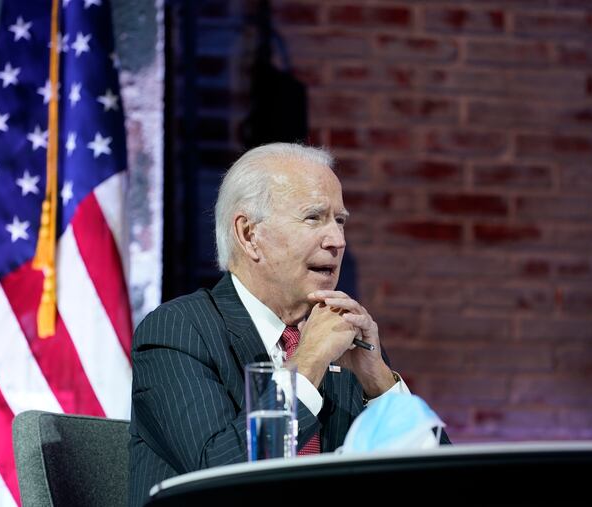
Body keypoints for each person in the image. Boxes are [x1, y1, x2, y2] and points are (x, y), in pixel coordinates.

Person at [127, 143, 448, 506]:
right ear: (249, 235)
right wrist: (307, 362)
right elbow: (221, 477)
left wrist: (379, 384)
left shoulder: (344, 337)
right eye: (314, 218)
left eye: (340, 221)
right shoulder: (177, 332)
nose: (337, 241)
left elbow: (440, 482)